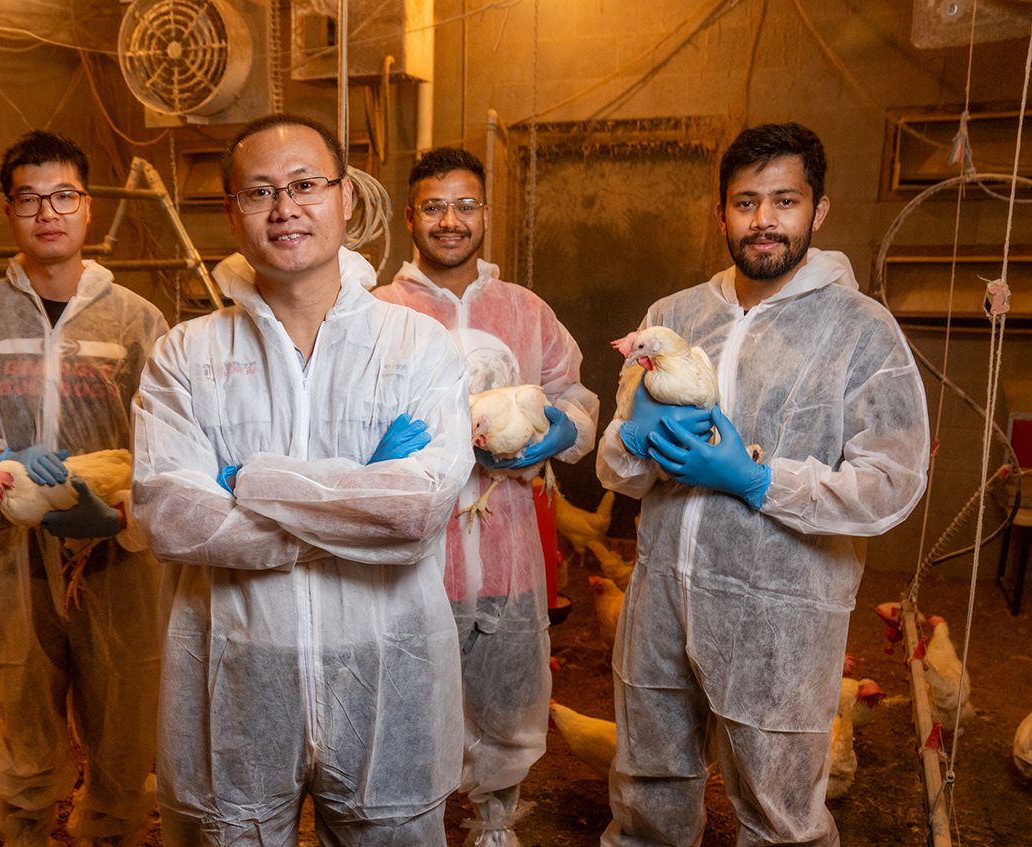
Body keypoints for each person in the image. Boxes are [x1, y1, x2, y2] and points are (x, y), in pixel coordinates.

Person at [131, 113, 475, 845]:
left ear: (345, 197)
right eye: (259, 192)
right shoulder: (185, 356)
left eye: (304, 185)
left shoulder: (418, 346)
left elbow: (414, 511)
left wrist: (249, 482)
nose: (285, 207)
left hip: (389, 678)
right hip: (234, 682)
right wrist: (355, 502)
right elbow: (171, 518)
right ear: (231, 211)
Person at [595, 123, 930, 846]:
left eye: (785, 200)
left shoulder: (861, 330)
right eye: (746, 202)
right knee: (647, 790)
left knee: (781, 813)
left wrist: (755, 478)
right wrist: (635, 438)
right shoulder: (674, 316)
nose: (764, 221)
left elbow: (891, 483)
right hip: (659, 604)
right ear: (721, 213)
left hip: (781, 614)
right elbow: (615, 470)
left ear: (819, 210)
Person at [0, 130, 168, 847]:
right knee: (21, 722)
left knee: (125, 725)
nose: (47, 212)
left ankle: (106, 833)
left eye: (63, 196)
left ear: (87, 208)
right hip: (10, 552)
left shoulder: (139, 320)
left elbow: (174, 436)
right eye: (28, 198)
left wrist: (119, 516)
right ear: (9, 211)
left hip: (118, 554)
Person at [372, 146, 598, 846]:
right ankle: (411, 822)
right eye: (435, 206)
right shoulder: (379, 312)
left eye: (465, 205)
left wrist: (566, 427)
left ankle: (496, 817)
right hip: (411, 551)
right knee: (406, 698)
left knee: (508, 691)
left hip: (507, 543)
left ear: (486, 215)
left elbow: (575, 392)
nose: (450, 220)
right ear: (411, 217)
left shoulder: (525, 310)